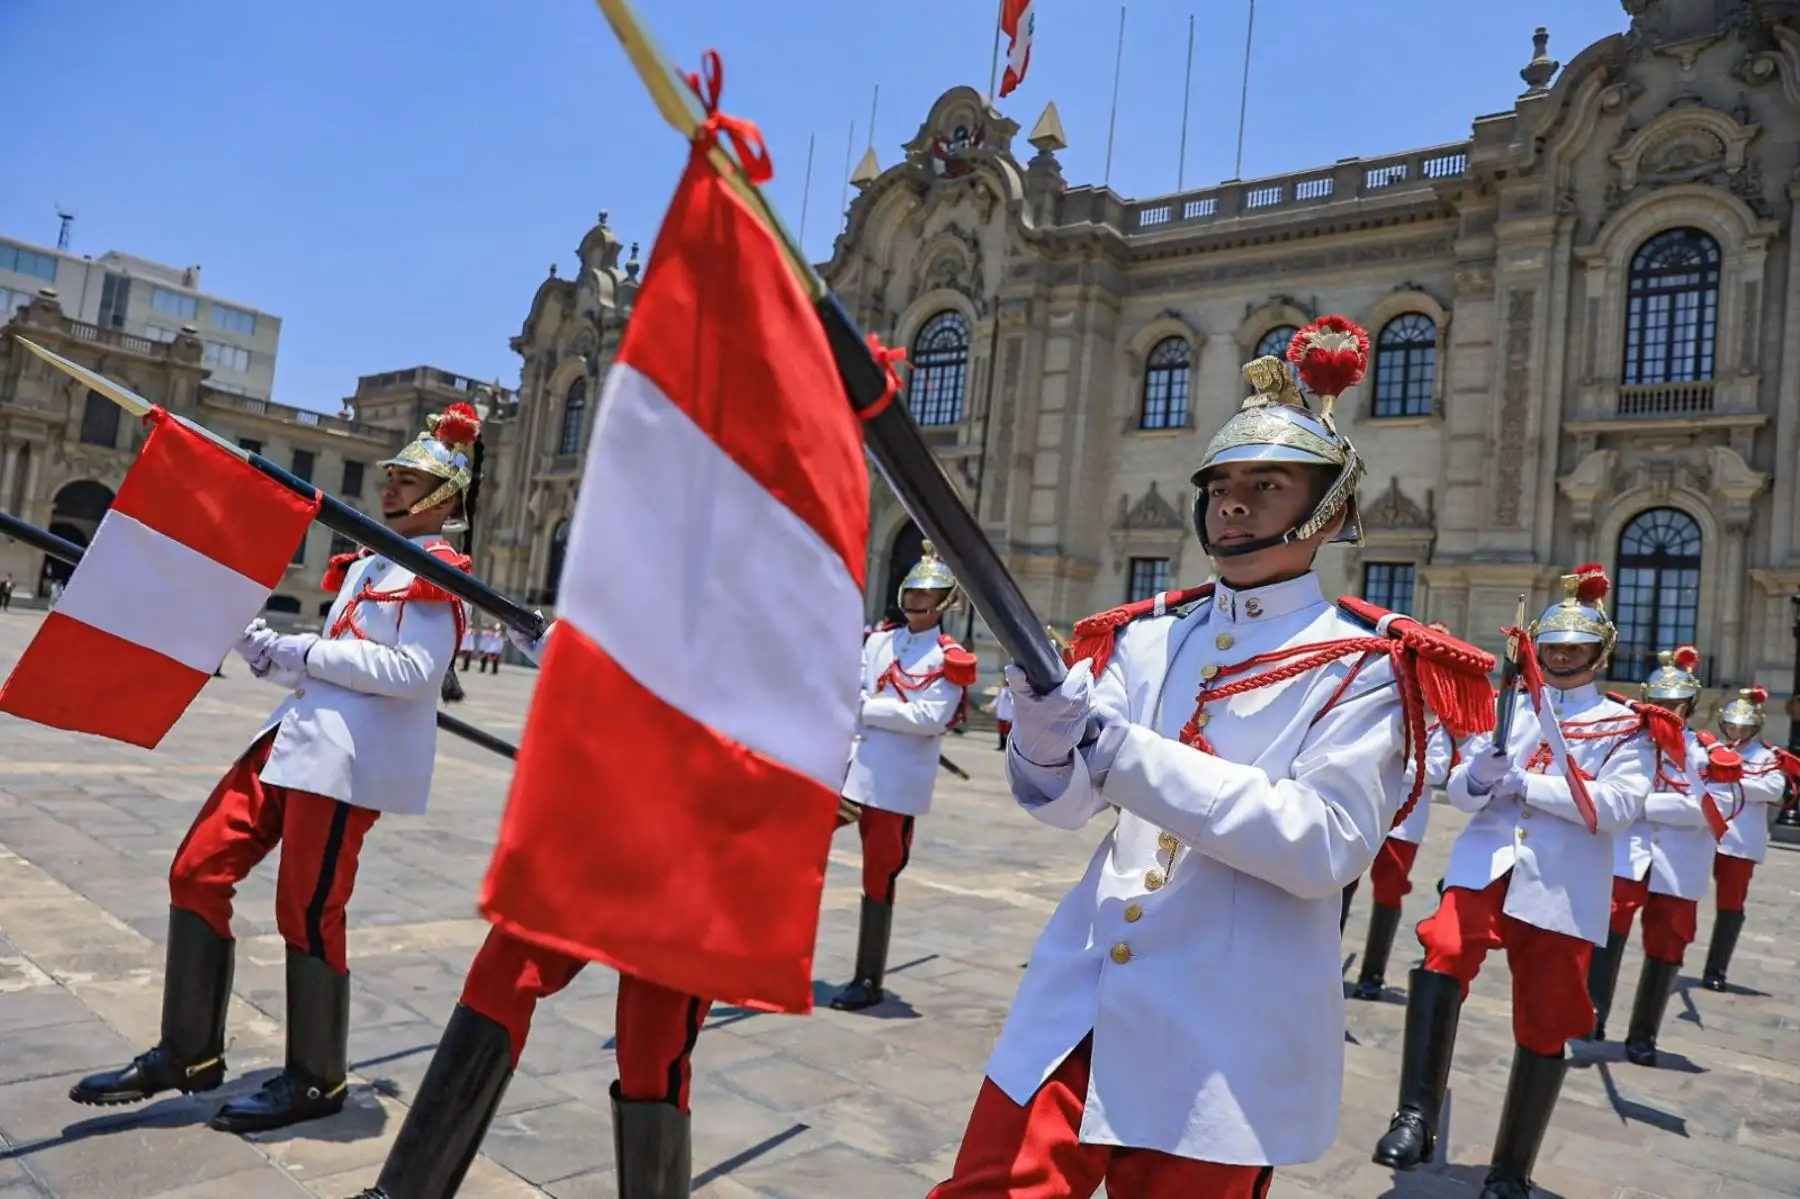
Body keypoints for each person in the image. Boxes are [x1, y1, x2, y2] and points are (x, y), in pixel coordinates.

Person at [928, 318, 1496, 1199]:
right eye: (1222, 483)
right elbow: (1069, 802)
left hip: (1226, 1033)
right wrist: (1045, 747)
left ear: (1331, 510)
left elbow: (1322, 844)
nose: (1232, 501)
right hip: (1084, 1000)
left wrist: (1118, 753)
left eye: (1267, 484)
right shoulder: (1148, 635)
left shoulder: (1370, 669)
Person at [68, 402, 480, 1133]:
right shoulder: (373, 562)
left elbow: (414, 670)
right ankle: (188, 1051)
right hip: (291, 738)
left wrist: (305, 653)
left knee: (308, 913)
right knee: (197, 867)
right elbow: (335, 664)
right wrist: (274, 654)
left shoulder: (441, 574)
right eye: (391, 476)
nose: (390, 487)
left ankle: (316, 1077)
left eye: (408, 480)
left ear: (443, 496)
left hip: (345, 765)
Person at [1372, 564, 1666, 1199]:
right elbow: (1463, 794)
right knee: (1443, 950)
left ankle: (1511, 1170)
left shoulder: (1627, 727)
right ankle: (1415, 1116)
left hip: (1561, 884)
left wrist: (1525, 783)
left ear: (1598, 653)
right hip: (1487, 865)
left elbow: (1614, 808)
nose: (1561, 658)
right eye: (1552, 647)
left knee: (1543, 1020)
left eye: (1574, 649)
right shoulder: (1509, 706)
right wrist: (1481, 777)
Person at [832, 540, 976, 1011]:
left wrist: (868, 709)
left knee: (879, 873)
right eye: (911, 593)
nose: (915, 602)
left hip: (894, 781)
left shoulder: (949, 657)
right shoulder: (877, 642)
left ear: (944, 603)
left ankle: (867, 977)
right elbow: (849, 688)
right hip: (850, 770)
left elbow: (931, 717)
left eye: (924, 596)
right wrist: (873, 710)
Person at [1584, 646, 1732, 1065]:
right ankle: (1592, 1013)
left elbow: (1713, 809)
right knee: (1606, 929)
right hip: (1626, 857)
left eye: (1675, 704)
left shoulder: (1708, 754)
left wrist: (1643, 805)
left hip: (1679, 865)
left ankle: (1643, 1034)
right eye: (1659, 702)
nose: (1666, 710)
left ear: (1689, 705)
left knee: (1667, 945)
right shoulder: (1622, 743)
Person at [1348, 650, 1460, 1000]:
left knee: (1388, 891)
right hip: (1361, 812)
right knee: (1337, 887)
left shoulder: (1437, 723)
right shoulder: (1380, 711)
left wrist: (1385, 765)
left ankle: (1372, 975)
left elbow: (1435, 770)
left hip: (1402, 822)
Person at [1699, 685, 1794, 991]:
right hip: (1705, 835)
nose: (1737, 730)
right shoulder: (1712, 752)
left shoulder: (1767, 756)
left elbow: (1774, 789)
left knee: (1730, 905)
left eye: (1744, 725)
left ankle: (1716, 969)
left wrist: (1731, 783)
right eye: (1732, 724)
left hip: (1739, 842)